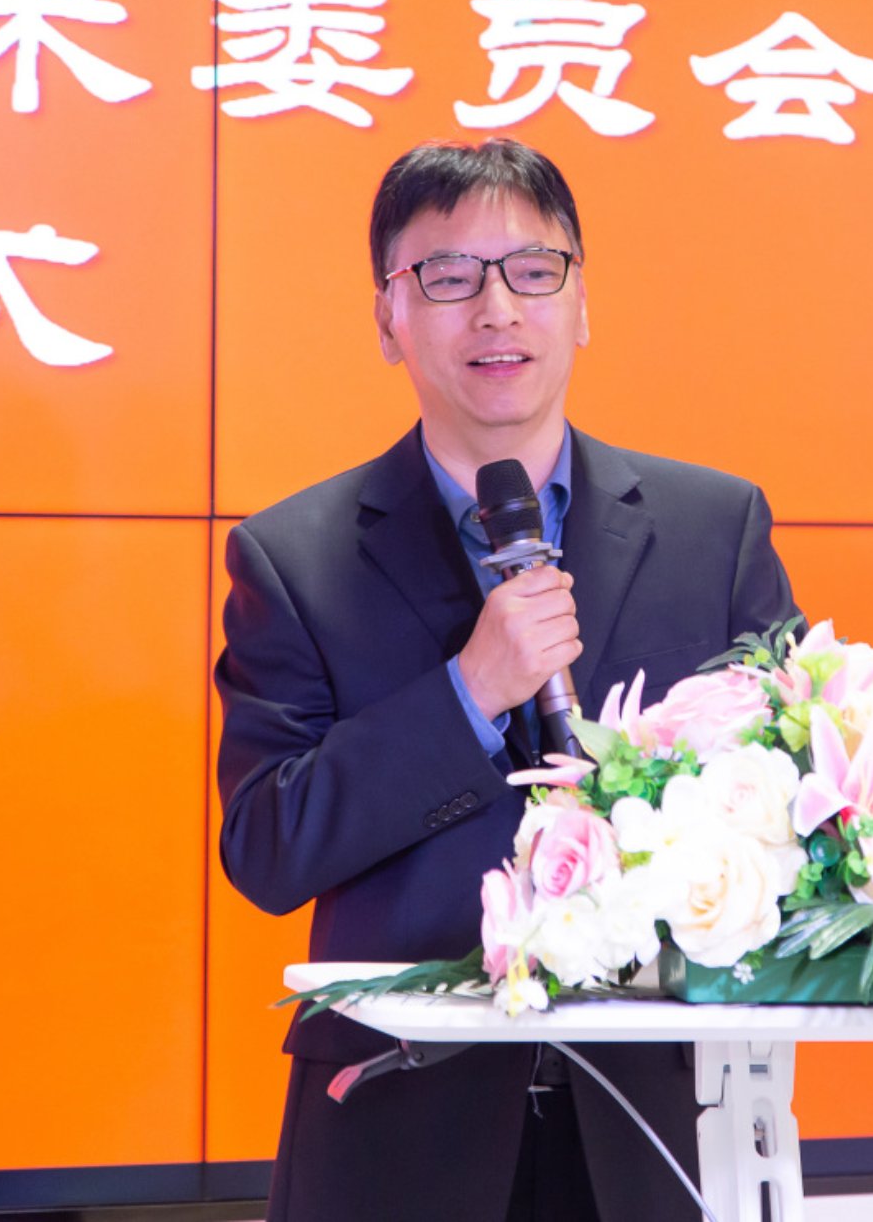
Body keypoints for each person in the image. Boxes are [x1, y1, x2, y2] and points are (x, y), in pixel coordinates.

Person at [214, 138, 797, 1222]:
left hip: (663, 1125)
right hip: (401, 1136)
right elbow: (267, 845)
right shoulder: (293, 557)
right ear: (387, 317)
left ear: (581, 302)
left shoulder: (714, 530)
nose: (497, 309)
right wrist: (466, 694)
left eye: (533, 270)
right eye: (447, 276)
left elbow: (794, 804)